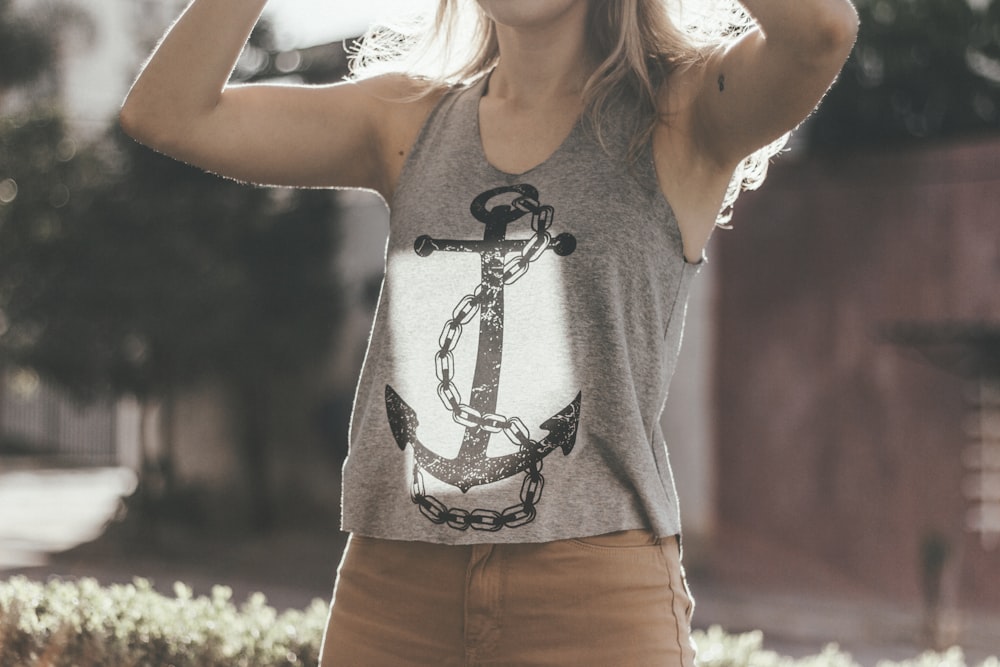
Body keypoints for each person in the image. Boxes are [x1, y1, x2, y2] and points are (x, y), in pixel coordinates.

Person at [121, 0, 858, 664]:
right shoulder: (406, 119)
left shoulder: (682, 115)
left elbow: (822, 32)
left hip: (593, 599)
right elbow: (168, 112)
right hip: (392, 592)